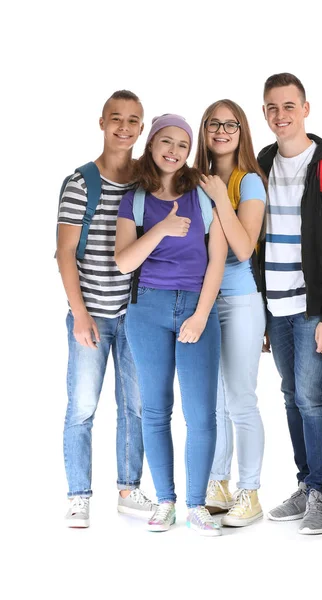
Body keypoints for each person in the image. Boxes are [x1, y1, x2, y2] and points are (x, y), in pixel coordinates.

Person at [115, 114, 228, 536]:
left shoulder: (202, 194)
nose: (174, 151)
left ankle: (196, 504)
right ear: (152, 144)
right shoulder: (136, 200)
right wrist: (160, 229)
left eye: (182, 144)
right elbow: (125, 260)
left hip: (197, 308)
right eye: (166, 141)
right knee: (155, 409)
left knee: (200, 413)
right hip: (148, 310)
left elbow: (217, 259)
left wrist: (200, 315)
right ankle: (165, 501)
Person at [257, 73, 322, 535]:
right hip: (273, 306)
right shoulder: (261, 163)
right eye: (273, 108)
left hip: (313, 306)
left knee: (313, 398)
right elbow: (255, 241)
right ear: (265, 113)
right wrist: (259, 312)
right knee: (289, 396)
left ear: (306, 109)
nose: (281, 115)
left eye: (289, 106)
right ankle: (305, 483)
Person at [57, 90, 156, 528]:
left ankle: (129, 489)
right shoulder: (81, 182)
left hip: (134, 314)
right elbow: (64, 253)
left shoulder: (145, 182)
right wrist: (79, 314)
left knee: (133, 406)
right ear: (101, 122)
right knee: (82, 407)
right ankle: (79, 496)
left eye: (133, 121)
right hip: (91, 314)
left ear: (141, 128)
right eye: (116, 119)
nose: (124, 127)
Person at [194, 99, 267, 527]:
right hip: (202, 301)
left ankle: (250, 491)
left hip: (239, 302)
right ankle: (218, 483)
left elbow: (244, 248)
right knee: (215, 402)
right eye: (213, 124)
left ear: (242, 131)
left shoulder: (249, 182)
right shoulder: (194, 180)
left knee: (241, 400)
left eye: (231, 124)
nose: (221, 131)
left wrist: (222, 197)